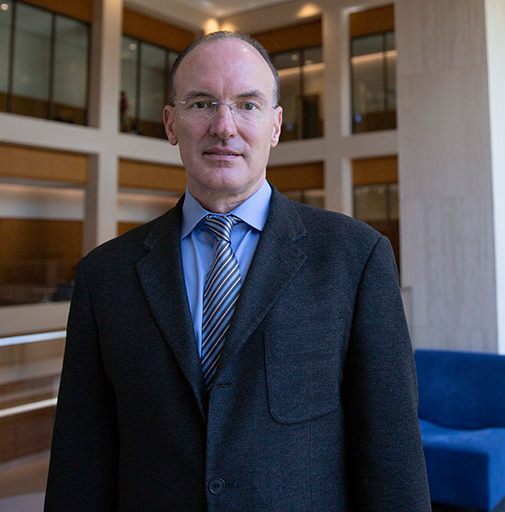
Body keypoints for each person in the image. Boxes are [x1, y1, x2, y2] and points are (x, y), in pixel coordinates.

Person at [45, 32, 430, 511]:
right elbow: (79, 461)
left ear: (275, 125)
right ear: (171, 123)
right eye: (202, 103)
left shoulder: (355, 258)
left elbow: (392, 455)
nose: (224, 126)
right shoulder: (105, 276)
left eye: (248, 105)